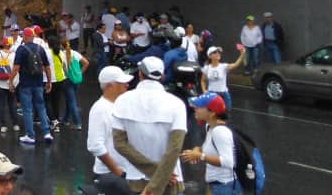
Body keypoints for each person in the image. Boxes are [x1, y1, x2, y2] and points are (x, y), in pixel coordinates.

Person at [111, 56, 186, 195]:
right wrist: (159, 179)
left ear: (140, 74)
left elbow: (119, 144)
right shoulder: (177, 104)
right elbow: (174, 149)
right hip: (170, 181)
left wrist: (153, 171)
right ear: (162, 76)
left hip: (136, 179)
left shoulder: (122, 101)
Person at [180, 93, 240, 195]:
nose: (194, 108)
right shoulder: (210, 126)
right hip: (214, 185)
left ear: (212, 113)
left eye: (198, 107)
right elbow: (211, 149)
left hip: (223, 187)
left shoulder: (220, 132)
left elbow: (228, 162)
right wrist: (198, 149)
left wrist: (200, 156)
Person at [87, 66, 138, 181]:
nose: (127, 85)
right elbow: (95, 145)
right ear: (110, 86)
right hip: (110, 175)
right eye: (122, 82)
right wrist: (117, 172)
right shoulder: (100, 109)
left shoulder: (122, 105)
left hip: (127, 172)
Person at [11, 25, 54, 145]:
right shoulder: (41, 48)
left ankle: (30, 135)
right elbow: (47, 67)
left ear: (24, 36)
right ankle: (47, 133)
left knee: (27, 109)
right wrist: (49, 82)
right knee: (41, 107)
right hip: (39, 83)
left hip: (25, 84)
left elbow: (16, 68)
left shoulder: (21, 49)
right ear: (33, 36)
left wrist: (10, 81)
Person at [202, 45, 245, 111]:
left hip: (224, 94)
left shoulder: (223, 66)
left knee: (226, 114)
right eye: (215, 52)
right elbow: (203, 81)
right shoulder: (206, 68)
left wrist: (242, 54)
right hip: (211, 94)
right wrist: (204, 91)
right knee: (212, 114)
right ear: (210, 56)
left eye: (218, 52)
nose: (218, 54)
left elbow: (236, 64)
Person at [57, 39, 89, 129]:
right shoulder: (75, 53)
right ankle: (66, 119)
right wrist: (80, 73)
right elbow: (86, 63)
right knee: (69, 100)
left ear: (61, 46)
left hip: (67, 80)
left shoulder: (61, 54)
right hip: (76, 80)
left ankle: (77, 123)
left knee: (71, 102)